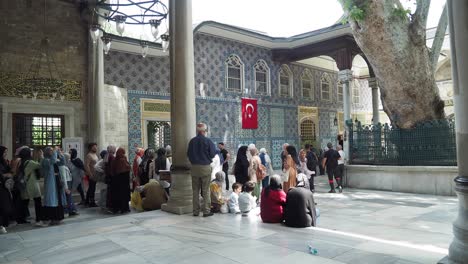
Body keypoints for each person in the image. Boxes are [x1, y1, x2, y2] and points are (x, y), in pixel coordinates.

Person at [187, 123, 217, 217]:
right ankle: (206, 211)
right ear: (205, 131)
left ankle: (195, 211)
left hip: (194, 168)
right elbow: (212, 154)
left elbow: (188, 154)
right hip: (205, 167)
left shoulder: (192, 141)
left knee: (195, 190)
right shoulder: (208, 141)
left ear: (197, 131)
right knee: (206, 190)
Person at [18, 148, 47, 226]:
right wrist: (41, 156)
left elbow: (35, 164)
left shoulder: (23, 161)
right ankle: (39, 219)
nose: (31, 153)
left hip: (25, 184)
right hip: (32, 184)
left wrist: (37, 158)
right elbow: (40, 165)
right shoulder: (30, 162)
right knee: (38, 201)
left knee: (24, 202)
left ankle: (21, 219)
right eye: (30, 152)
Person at [41, 147, 65, 225]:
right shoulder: (45, 160)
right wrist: (55, 152)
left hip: (57, 181)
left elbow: (62, 162)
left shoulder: (53, 158)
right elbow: (53, 161)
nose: (52, 151)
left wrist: (60, 154)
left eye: (52, 150)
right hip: (51, 182)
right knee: (51, 200)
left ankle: (57, 217)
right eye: (51, 150)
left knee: (58, 199)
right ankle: (49, 218)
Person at [110, 148, 131, 214]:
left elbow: (112, 169)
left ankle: (117, 208)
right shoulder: (123, 159)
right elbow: (128, 168)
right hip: (124, 180)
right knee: (124, 195)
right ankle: (124, 208)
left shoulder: (115, 159)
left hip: (116, 180)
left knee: (117, 195)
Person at [0, 146, 13, 234]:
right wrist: (5, 175)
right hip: (1, 187)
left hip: (5, 187)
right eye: (4, 152)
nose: (5, 154)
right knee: (3, 207)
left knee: (6, 207)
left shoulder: (4, 162)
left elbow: (10, 173)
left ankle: (2, 225)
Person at [84, 143, 99, 207]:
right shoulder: (89, 155)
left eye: (96, 146)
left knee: (91, 188)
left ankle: (87, 201)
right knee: (92, 188)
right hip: (91, 174)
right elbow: (86, 165)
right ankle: (91, 202)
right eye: (94, 147)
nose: (95, 148)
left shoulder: (95, 154)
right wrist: (90, 174)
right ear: (90, 148)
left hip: (95, 174)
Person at [104, 145, 117, 209]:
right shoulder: (111, 156)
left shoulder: (107, 155)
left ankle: (108, 204)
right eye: (114, 149)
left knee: (109, 191)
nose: (115, 150)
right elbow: (111, 167)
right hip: (111, 176)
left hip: (108, 176)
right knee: (111, 191)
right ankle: (111, 205)